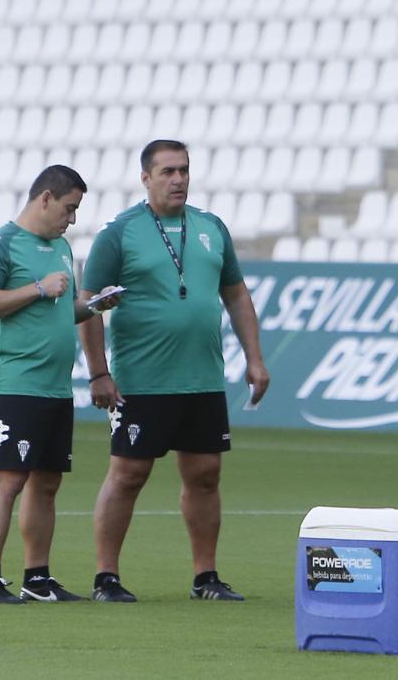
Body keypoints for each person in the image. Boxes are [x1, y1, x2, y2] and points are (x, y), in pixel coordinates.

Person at [79, 140, 270, 603]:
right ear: (146, 178)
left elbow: (237, 295)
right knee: (128, 474)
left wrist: (255, 358)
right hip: (142, 379)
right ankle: (106, 577)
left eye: (184, 170)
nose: (178, 179)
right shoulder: (119, 233)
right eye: (167, 171)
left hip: (202, 377)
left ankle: (205, 576)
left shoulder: (210, 227)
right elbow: (88, 306)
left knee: (205, 473)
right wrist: (99, 373)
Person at [0, 165, 121, 604]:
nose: (72, 218)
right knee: (8, 480)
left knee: (47, 482)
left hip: (55, 386)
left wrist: (92, 305)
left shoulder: (59, 248)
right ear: (46, 198)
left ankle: (37, 577)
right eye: (70, 208)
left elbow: (60, 309)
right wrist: (37, 288)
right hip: (15, 383)